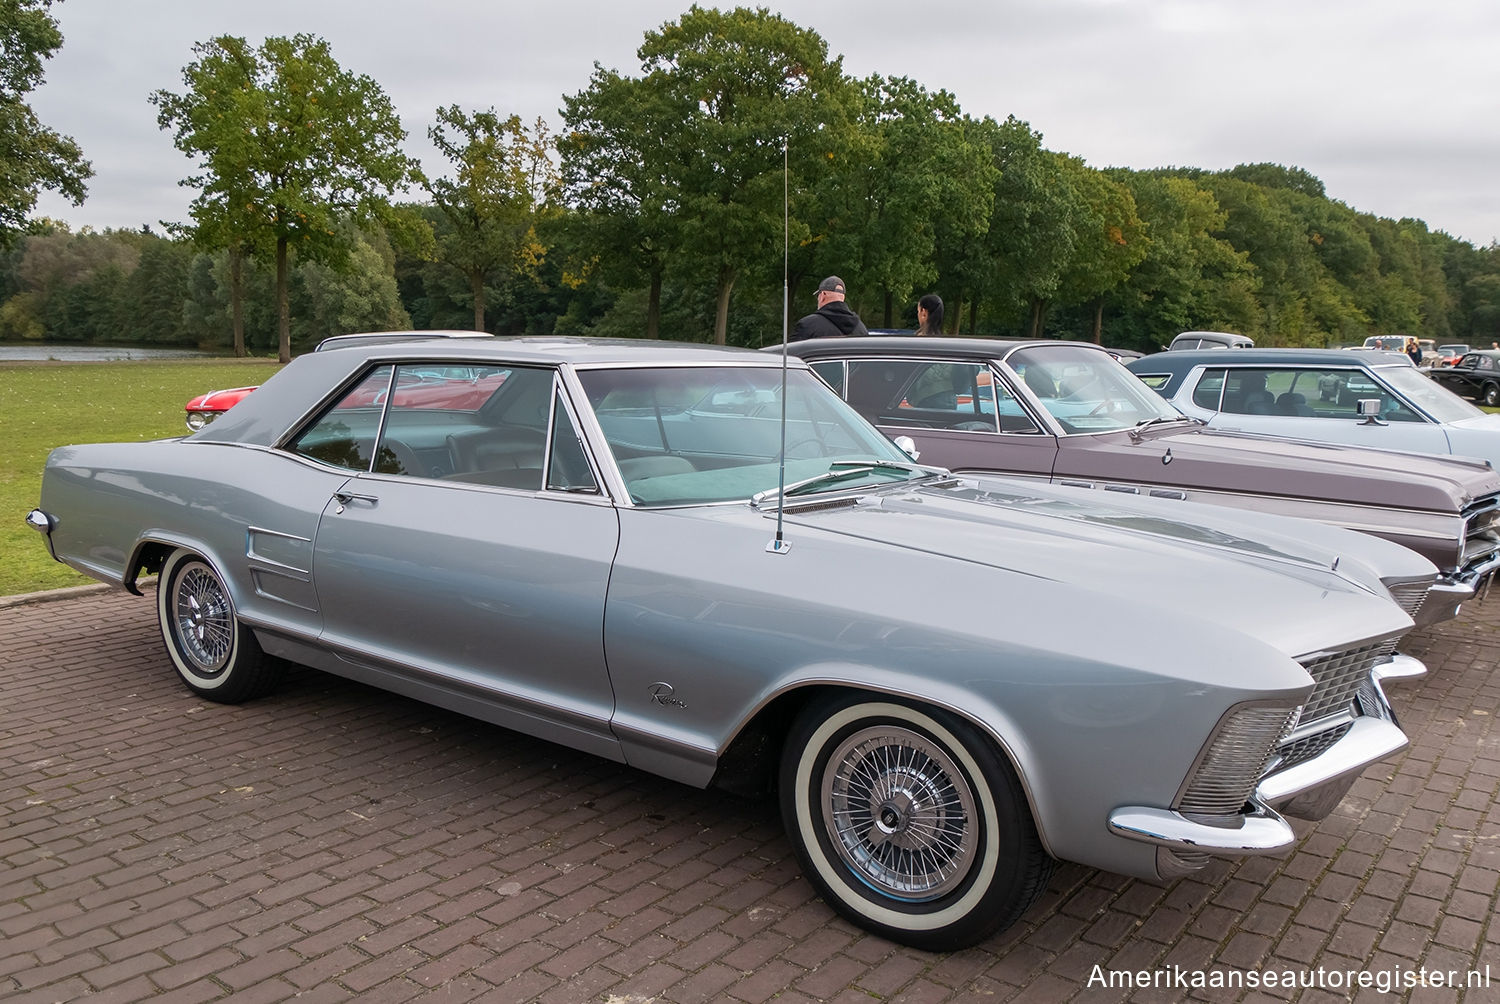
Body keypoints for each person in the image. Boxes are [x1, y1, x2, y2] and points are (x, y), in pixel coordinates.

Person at [790, 275, 869, 341]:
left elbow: (791, 356)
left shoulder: (807, 325)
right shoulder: (861, 329)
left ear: (822, 295)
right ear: (843, 297)